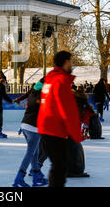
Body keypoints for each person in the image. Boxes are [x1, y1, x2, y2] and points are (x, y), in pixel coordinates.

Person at [37, 51, 83, 188]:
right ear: (66, 62)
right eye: (71, 62)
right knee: (60, 167)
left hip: (46, 127)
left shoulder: (51, 79)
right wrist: (76, 134)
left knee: (58, 165)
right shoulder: (60, 80)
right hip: (54, 129)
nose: (72, 65)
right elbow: (67, 110)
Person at [13, 79, 48, 187]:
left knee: (35, 152)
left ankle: (36, 176)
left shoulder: (32, 92)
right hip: (33, 128)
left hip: (25, 125)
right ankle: (19, 178)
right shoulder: (41, 97)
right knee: (30, 153)